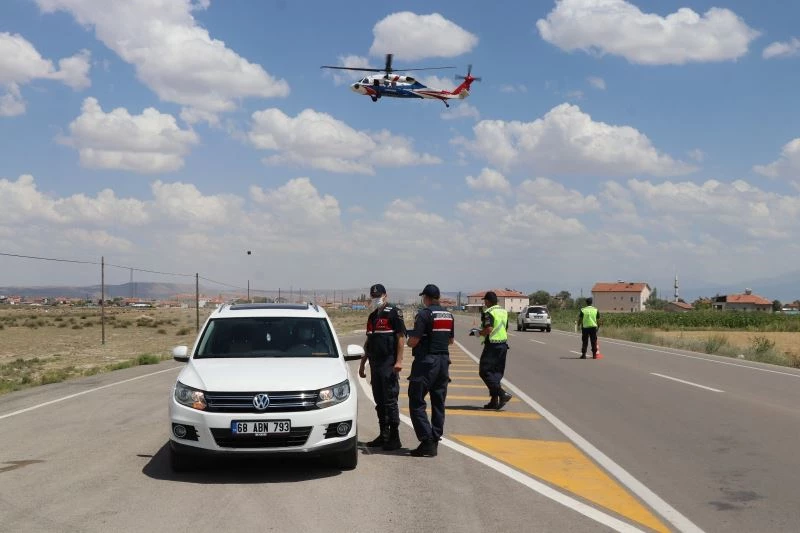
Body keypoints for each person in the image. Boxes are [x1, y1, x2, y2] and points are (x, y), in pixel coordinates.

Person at [405, 284, 453, 457]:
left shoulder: (424, 314)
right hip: (443, 362)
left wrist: (409, 340)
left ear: (427, 297)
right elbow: (450, 341)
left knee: (416, 400)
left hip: (426, 363)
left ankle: (427, 440)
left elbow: (414, 340)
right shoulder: (448, 315)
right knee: (438, 402)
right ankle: (435, 438)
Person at [358, 283, 406, 451]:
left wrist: (399, 361)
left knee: (390, 400)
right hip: (375, 363)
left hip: (388, 363)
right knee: (379, 400)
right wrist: (363, 364)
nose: (376, 299)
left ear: (385, 296)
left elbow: (401, 338)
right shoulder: (372, 317)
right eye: (373, 296)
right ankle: (383, 434)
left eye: (378, 296)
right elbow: (368, 342)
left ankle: (394, 437)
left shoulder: (394, 313)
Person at [477, 291, 512, 410]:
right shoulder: (504, 311)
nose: (484, 303)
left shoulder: (488, 312)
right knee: (496, 374)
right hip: (503, 345)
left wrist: (478, 333)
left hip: (492, 345)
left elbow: (489, 329)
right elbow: (505, 327)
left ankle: (502, 394)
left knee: (484, 372)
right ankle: (494, 400)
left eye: (485, 301)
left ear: (488, 301)